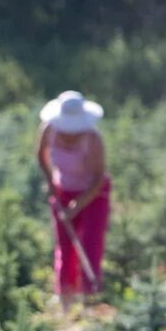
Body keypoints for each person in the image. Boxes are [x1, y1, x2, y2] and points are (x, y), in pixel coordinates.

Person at [37, 90, 110, 310]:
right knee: (64, 244)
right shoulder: (49, 130)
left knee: (90, 244)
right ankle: (65, 298)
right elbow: (41, 155)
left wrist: (77, 206)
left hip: (93, 193)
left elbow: (99, 176)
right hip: (63, 190)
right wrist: (51, 185)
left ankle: (89, 299)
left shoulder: (92, 139)